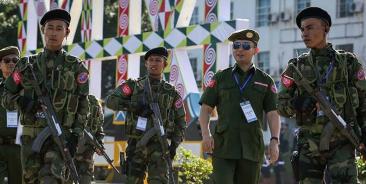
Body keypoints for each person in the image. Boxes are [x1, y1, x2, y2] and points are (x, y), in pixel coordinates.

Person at [278, 7, 366, 183]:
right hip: (308, 145)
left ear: (325, 28)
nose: (304, 33)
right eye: (302, 29)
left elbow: (364, 102)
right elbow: (281, 106)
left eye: (310, 27)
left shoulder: (348, 63)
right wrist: (298, 103)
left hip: (343, 141)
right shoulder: (296, 67)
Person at [1, 9, 89, 183]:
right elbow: (5, 96)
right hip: (30, 138)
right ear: (43, 30)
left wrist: (76, 135)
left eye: (59, 28)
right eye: (50, 28)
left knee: (51, 179)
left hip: (59, 137)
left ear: (67, 32)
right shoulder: (25, 65)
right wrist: (22, 102)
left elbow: (83, 104)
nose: (53, 33)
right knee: (30, 180)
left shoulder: (76, 68)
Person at [199, 29, 281, 184]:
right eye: (236, 45)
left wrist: (274, 140)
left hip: (252, 148)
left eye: (245, 46)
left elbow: (272, 113)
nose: (240, 49)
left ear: (256, 50)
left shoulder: (265, 80)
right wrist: (205, 135)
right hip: (224, 146)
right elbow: (206, 108)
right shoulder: (221, 77)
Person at [105, 47, 186, 184]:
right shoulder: (134, 85)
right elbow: (110, 101)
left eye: (158, 60)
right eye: (151, 60)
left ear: (164, 65)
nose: (154, 63)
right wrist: (134, 106)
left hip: (159, 147)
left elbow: (181, 121)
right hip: (136, 144)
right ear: (146, 63)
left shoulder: (171, 93)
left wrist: (174, 146)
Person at [0, 46, 22, 184]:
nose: (11, 63)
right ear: (0, 65)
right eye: (6, 60)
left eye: (15, 60)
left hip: (21, 148)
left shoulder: (29, 90)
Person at [73, 95, 104, 184]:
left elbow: (99, 127)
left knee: (85, 178)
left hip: (87, 150)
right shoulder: (74, 98)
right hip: (71, 146)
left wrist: (100, 143)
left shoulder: (95, 103)